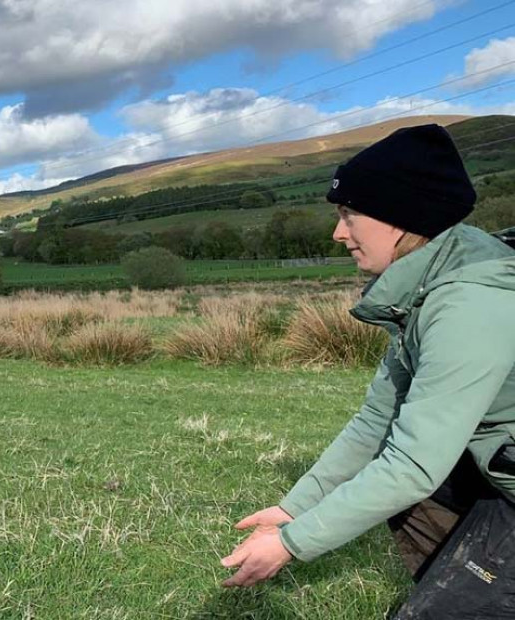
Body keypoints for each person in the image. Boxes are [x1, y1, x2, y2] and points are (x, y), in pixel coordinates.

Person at [219, 123, 515, 617]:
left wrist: (292, 543)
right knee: (389, 489)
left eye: (349, 214)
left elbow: (413, 466)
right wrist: (296, 507)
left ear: (401, 219)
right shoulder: (423, 289)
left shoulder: (468, 304)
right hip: (498, 467)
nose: (338, 232)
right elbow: (376, 423)